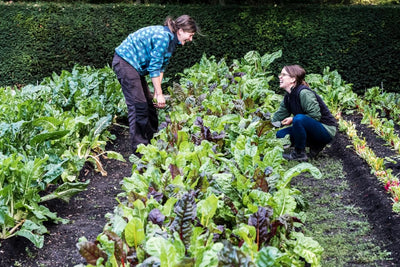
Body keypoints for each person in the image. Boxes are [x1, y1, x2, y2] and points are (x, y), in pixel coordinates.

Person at [112, 15, 199, 155]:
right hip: (125, 62)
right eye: (190, 35)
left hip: (134, 67)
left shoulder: (171, 41)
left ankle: (152, 138)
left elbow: (161, 68)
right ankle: (139, 150)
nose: (191, 39)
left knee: (148, 103)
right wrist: (158, 94)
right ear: (181, 30)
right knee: (138, 106)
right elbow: (153, 68)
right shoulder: (164, 37)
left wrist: (156, 94)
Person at [272, 65, 337, 161]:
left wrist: (293, 119)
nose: (279, 77)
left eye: (284, 75)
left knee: (298, 119)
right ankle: (315, 145)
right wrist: (262, 125)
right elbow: (278, 116)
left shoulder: (304, 93)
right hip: (311, 127)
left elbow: (315, 116)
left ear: (293, 79)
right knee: (280, 135)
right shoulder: (288, 97)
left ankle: (299, 153)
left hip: (326, 129)